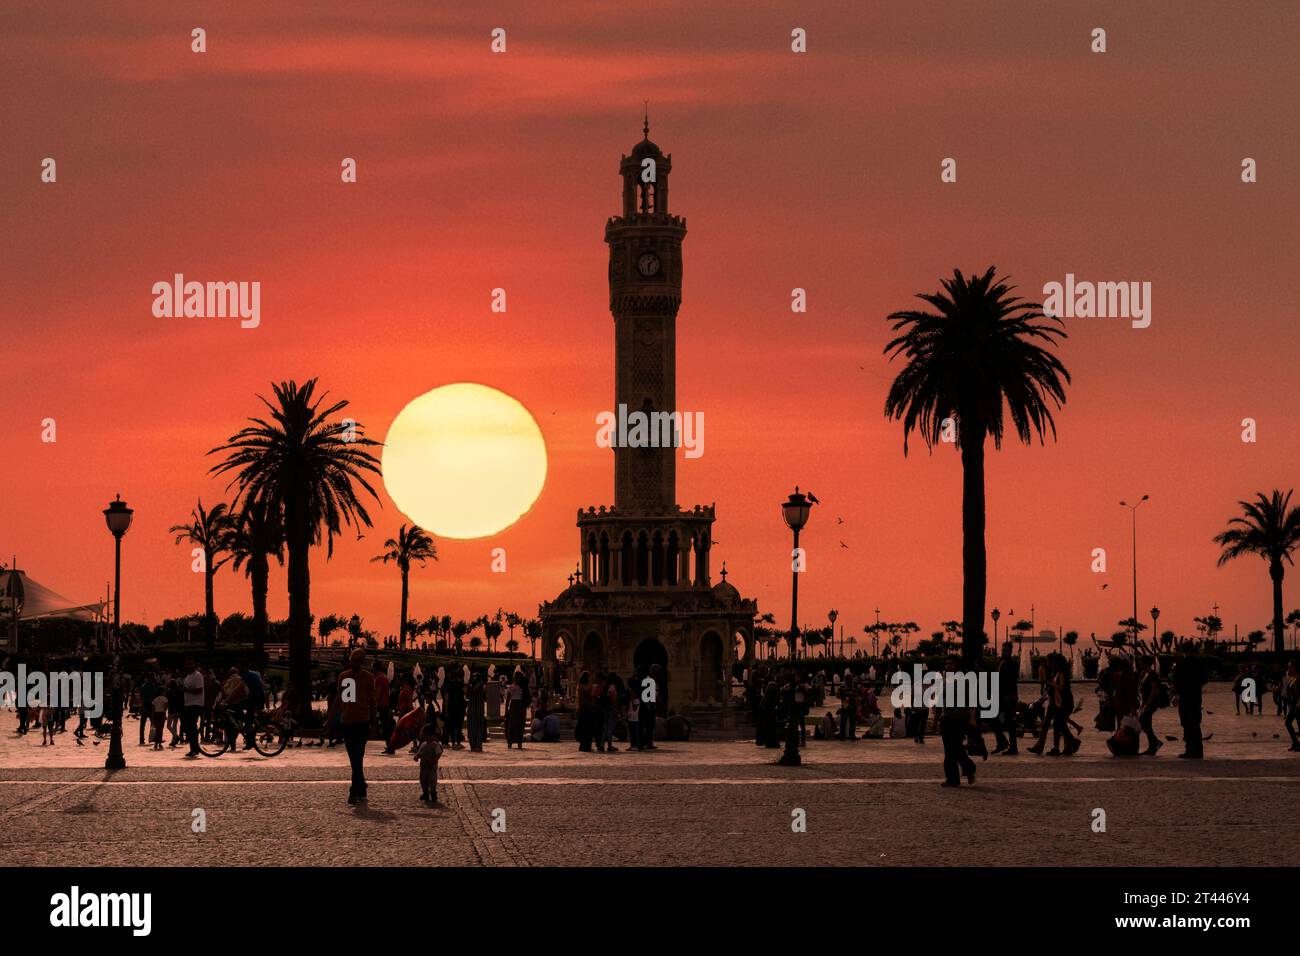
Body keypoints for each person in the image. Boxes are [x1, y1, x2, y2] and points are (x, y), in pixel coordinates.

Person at [325, 648, 378, 804]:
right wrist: (330, 719)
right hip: (348, 722)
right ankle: (361, 785)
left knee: (357, 756)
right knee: (354, 757)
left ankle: (354, 790)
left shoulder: (367, 677)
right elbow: (339, 700)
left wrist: (374, 720)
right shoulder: (346, 677)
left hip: (361, 721)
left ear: (362, 662)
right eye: (352, 660)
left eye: (356, 661)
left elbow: (372, 700)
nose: (353, 663)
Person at [938, 657, 977, 788]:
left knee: (955, 747)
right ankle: (954, 777)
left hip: (959, 719)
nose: (948, 666)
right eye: (946, 663)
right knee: (949, 749)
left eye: (951, 663)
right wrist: (937, 717)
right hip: (946, 718)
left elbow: (971, 701)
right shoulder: (942, 681)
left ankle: (967, 769)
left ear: (956, 665)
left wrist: (972, 719)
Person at [1171, 649, 1207, 759]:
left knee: (1187, 723)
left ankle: (1190, 750)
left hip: (1185, 697)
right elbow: (1204, 679)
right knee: (1195, 723)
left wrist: (1177, 695)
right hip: (1196, 697)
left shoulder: (1181, 664)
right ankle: (1198, 751)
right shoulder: (1200, 664)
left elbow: (1176, 681)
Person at [994, 642, 1019, 755]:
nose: (1004, 651)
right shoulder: (1000, 661)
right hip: (1000, 695)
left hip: (1009, 696)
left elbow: (1011, 680)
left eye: (1006, 650)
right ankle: (1002, 742)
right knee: (994, 718)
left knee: (1010, 721)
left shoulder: (1012, 663)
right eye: (1003, 649)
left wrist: (1009, 695)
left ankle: (1012, 746)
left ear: (1011, 651)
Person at [1136, 656, 1164, 755]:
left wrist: (1148, 704)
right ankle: (1152, 746)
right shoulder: (1144, 674)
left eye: (1140, 663)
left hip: (1151, 702)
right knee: (1146, 722)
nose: (1139, 664)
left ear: (1146, 663)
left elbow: (1154, 690)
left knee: (1143, 720)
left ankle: (1154, 743)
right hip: (1145, 702)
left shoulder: (1153, 675)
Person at [414, 723, 444, 804]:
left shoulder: (435, 745)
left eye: (429, 736)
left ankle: (433, 793)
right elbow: (419, 752)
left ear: (434, 736)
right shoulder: (423, 744)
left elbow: (439, 754)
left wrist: (434, 760)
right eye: (425, 736)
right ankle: (425, 793)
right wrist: (417, 756)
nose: (427, 737)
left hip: (432, 767)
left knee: (432, 781)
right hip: (423, 767)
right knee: (423, 780)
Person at [182, 657, 205, 757]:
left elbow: (199, 690)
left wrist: (186, 690)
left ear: (194, 665)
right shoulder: (188, 676)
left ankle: (195, 749)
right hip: (188, 704)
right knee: (189, 728)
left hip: (195, 704)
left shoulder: (198, 675)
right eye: (187, 664)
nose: (188, 666)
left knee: (192, 727)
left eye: (190, 664)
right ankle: (193, 748)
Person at [505, 671, 530, 749]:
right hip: (514, 705)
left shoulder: (523, 687)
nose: (515, 678)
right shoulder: (511, 687)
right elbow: (508, 700)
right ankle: (510, 742)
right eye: (515, 676)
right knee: (512, 725)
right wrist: (506, 710)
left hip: (520, 705)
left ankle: (519, 742)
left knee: (519, 724)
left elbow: (526, 698)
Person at [466, 672, 487, 752]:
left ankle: (475, 745)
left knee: (475, 729)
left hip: (474, 710)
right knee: (476, 729)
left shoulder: (479, 686)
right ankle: (476, 745)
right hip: (476, 710)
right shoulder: (481, 686)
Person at [1282, 660, 1299, 752]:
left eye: (1290, 667)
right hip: (1293, 704)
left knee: (1290, 723)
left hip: (1298, 705)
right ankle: (1295, 743)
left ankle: (1296, 743)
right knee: (1288, 723)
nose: (1288, 669)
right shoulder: (1292, 677)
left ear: (1295, 667)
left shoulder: (1298, 677)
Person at [149, 685, 168, 751]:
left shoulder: (155, 699)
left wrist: (152, 718)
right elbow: (165, 708)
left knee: (157, 729)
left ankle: (156, 743)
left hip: (156, 714)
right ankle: (159, 742)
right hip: (162, 714)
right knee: (161, 729)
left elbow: (153, 710)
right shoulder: (165, 699)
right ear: (162, 692)